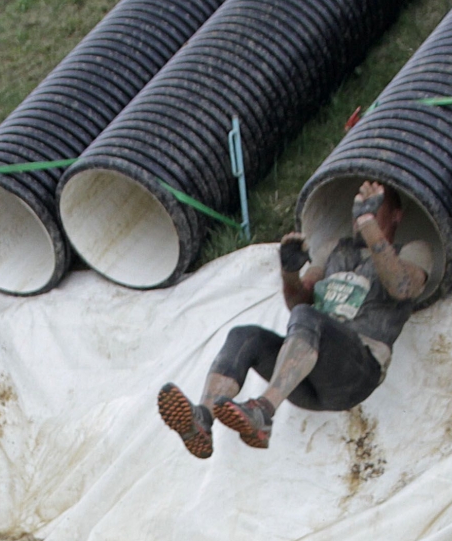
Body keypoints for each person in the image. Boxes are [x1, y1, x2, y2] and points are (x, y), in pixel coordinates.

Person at [158, 182, 432, 457]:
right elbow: (298, 304)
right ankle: (201, 420)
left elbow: (402, 287)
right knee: (245, 336)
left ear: (396, 215)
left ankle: (263, 412)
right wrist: (290, 272)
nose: (359, 215)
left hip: (357, 371)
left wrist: (368, 224)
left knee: (310, 317)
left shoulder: (414, 251)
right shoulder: (335, 249)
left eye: (372, 207)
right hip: (310, 379)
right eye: (357, 208)